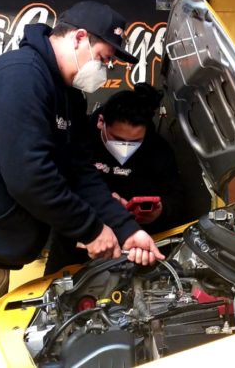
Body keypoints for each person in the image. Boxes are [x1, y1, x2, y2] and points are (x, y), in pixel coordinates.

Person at [0, 1, 164, 368]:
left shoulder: (68, 95)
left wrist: (125, 228)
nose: (106, 69)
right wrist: (91, 229)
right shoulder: (22, 76)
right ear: (80, 38)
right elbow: (29, 176)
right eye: (104, 58)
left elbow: (79, 172)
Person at [44, 83, 185, 275]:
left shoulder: (158, 150)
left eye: (135, 141)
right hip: (76, 243)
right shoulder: (80, 140)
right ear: (101, 121)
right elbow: (59, 187)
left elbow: (176, 198)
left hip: (135, 246)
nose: (125, 147)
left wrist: (159, 212)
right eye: (118, 138)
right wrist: (105, 208)